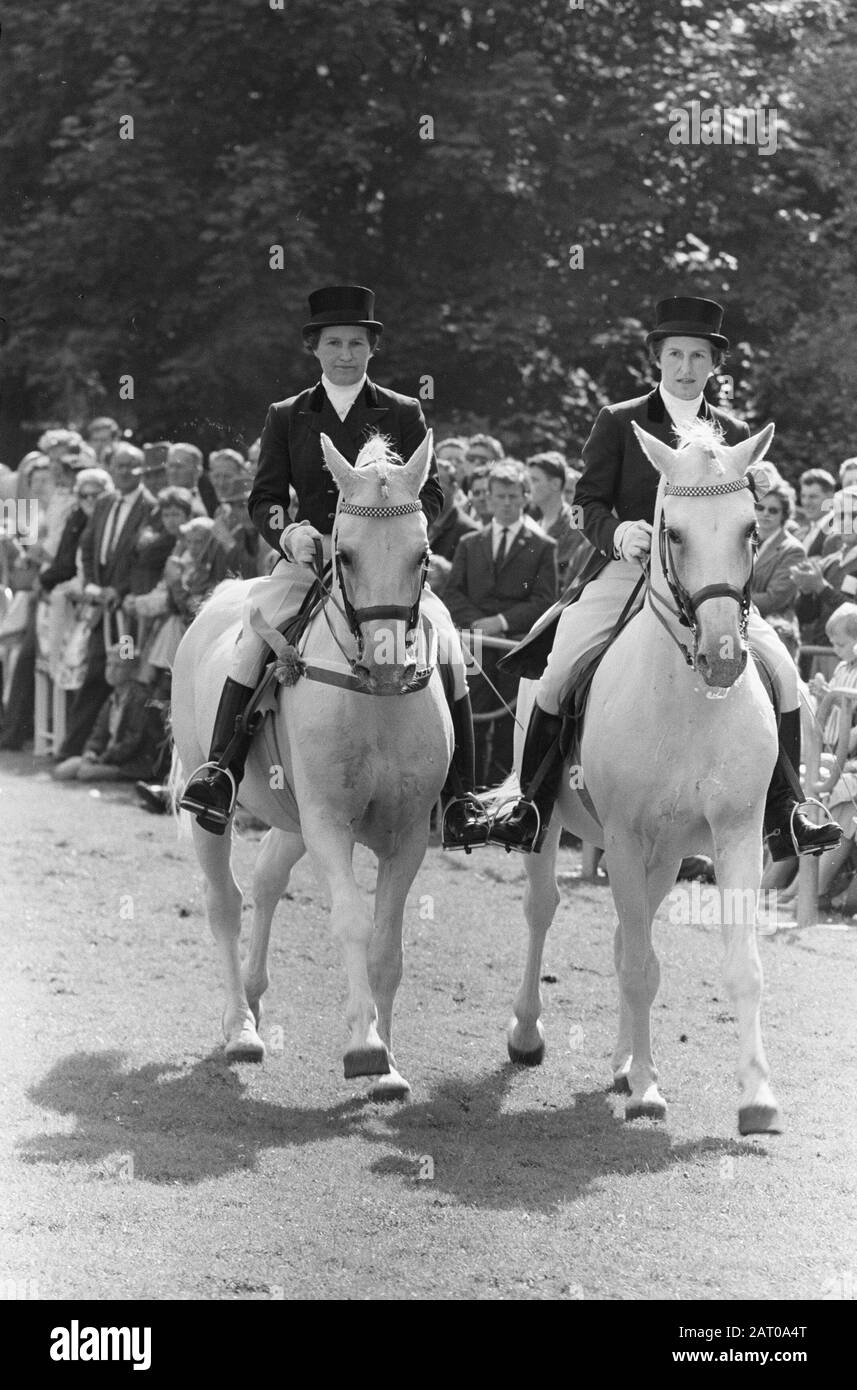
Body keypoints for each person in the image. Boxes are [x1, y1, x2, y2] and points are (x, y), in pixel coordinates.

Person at [491, 295, 842, 860]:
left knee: (781, 672)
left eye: (698, 357)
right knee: (556, 673)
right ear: (657, 357)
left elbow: (740, 519)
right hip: (624, 575)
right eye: (675, 354)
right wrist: (617, 534)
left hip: (708, 588)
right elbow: (586, 503)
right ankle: (528, 806)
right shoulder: (620, 419)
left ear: (714, 365)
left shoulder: (734, 432)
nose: (685, 368)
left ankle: (787, 811)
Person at [180, 284, 488, 850]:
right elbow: (265, 497)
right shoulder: (288, 415)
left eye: (356, 343)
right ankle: (221, 770)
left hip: (385, 562)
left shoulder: (403, 410)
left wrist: (402, 531)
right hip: (313, 555)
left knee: (447, 645)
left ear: (372, 348)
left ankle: (463, 796)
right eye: (334, 343)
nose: (345, 353)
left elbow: (435, 493)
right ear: (315, 349)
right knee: (252, 640)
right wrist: (290, 531)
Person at [444, 459, 558, 781]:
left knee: (511, 725)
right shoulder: (469, 544)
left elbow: (545, 600)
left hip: (514, 648)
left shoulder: (542, 546)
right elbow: (453, 594)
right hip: (475, 648)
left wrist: (501, 621)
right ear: (488, 499)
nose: (507, 503)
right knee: (472, 720)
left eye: (513, 496)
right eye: (500, 496)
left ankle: (503, 799)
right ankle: (470, 795)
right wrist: (480, 623)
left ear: (524, 497)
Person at [526, 451, 592, 589]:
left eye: (535, 480)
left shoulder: (577, 520)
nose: (528, 487)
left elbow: (568, 571)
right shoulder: (534, 524)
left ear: (555, 484)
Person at [750, 477, 804, 622]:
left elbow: (774, 599)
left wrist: (733, 601)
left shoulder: (793, 550)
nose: (765, 513)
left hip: (776, 625)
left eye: (773, 510)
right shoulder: (743, 541)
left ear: (784, 514)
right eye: (760, 507)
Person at [427, 451, 479, 561]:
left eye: (439, 488)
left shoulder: (468, 531)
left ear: (454, 488)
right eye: (426, 489)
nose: (431, 495)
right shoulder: (421, 523)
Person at [795, 468, 837, 556]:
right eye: (803, 496)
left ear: (830, 496)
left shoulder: (837, 531)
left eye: (813, 497)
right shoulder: (803, 532)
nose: (806, 502)